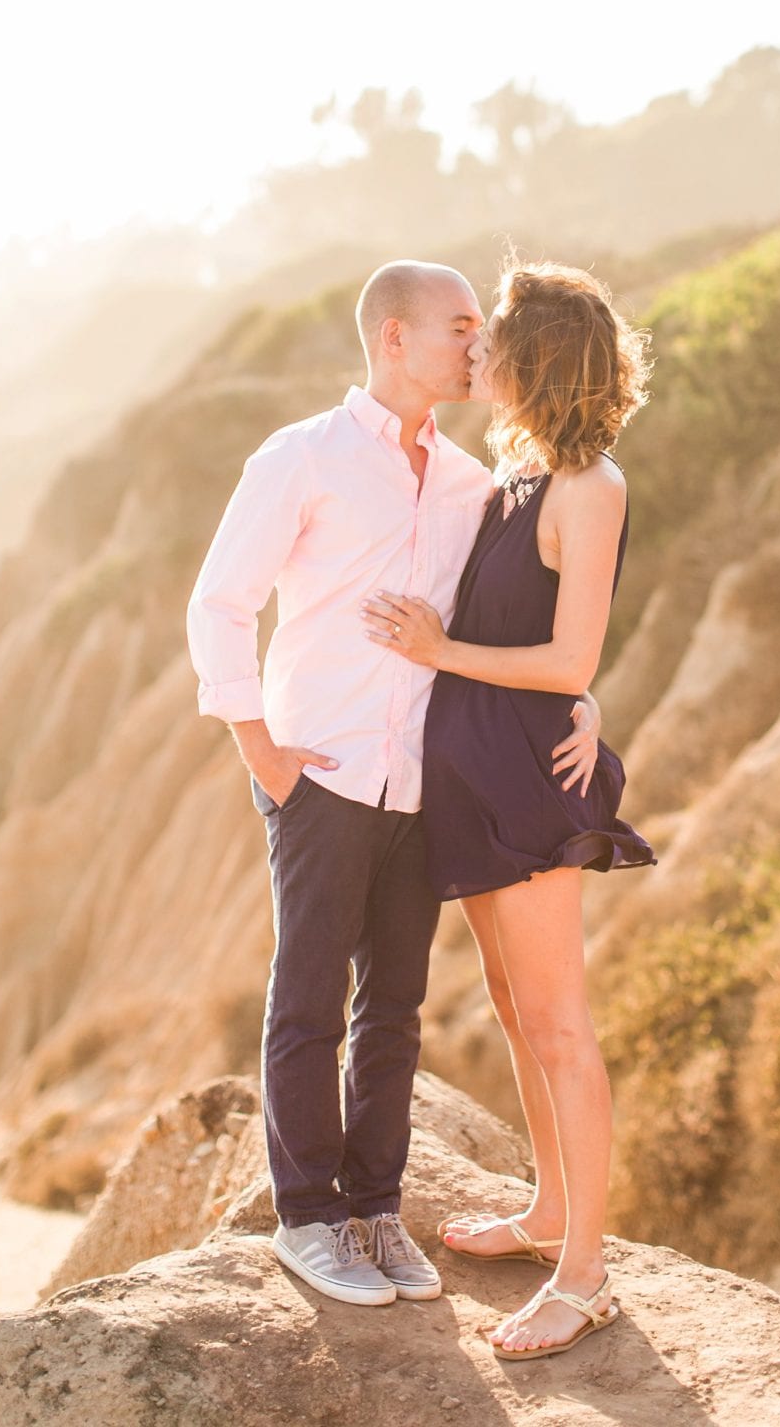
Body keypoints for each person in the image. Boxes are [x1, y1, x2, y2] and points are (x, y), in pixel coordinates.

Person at [185, 260, 605, 1309]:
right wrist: (263, 753)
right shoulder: (305, 457)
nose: (477, 346)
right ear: (393, 338)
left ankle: (376, 1211)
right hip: (317, 771)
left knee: (396, 1012)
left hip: (423, 784)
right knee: (310, 1001)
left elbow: (524, 623)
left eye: (482, 328)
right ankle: (309, 1219)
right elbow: (218, 605)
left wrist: (578, 701)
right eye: (460, 326)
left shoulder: (475, 486)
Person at [360, 260, 657, 1360]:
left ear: (538, 359)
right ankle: (543, 1213)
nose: (474, 350)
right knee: (515, 1005)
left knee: (561, 1024)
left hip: (529, 781)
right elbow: (555, 646)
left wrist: (448, 655)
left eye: (493, 338)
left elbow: (570, 648)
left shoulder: (591, 486)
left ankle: (585, 1277)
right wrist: (568, 688)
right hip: (479, 771)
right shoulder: (516, 476)